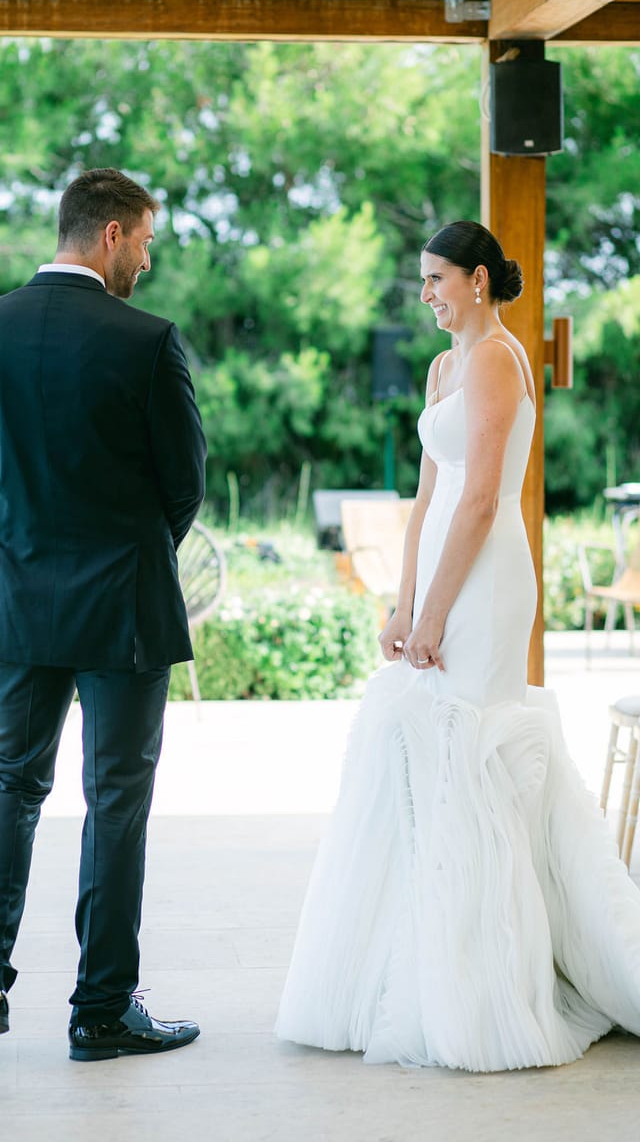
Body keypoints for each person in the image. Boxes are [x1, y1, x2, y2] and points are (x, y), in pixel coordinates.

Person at [276, 220, 640, 1072]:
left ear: (479, 279)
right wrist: (404, 606)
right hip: (441, 577)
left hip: (486, 586)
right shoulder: (443, 368)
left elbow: (481, 501)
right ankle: (425, 971)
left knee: (474, 763)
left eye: (438, 280)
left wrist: (439, 612)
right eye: (425, 283)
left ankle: (494, 988)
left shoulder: (499, 361)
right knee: (426, 774)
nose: (429, 296)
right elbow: (427, 498)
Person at [0, 168, 207, 1062]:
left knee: (10, 787)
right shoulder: (148, 341)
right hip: (124, 603)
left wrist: (35, 537)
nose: (150, 262)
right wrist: (124, 545)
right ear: (114, 235)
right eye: (149, 242)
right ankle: (102, 1012)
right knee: (116, 803)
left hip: (20, 595)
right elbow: (186, 485)